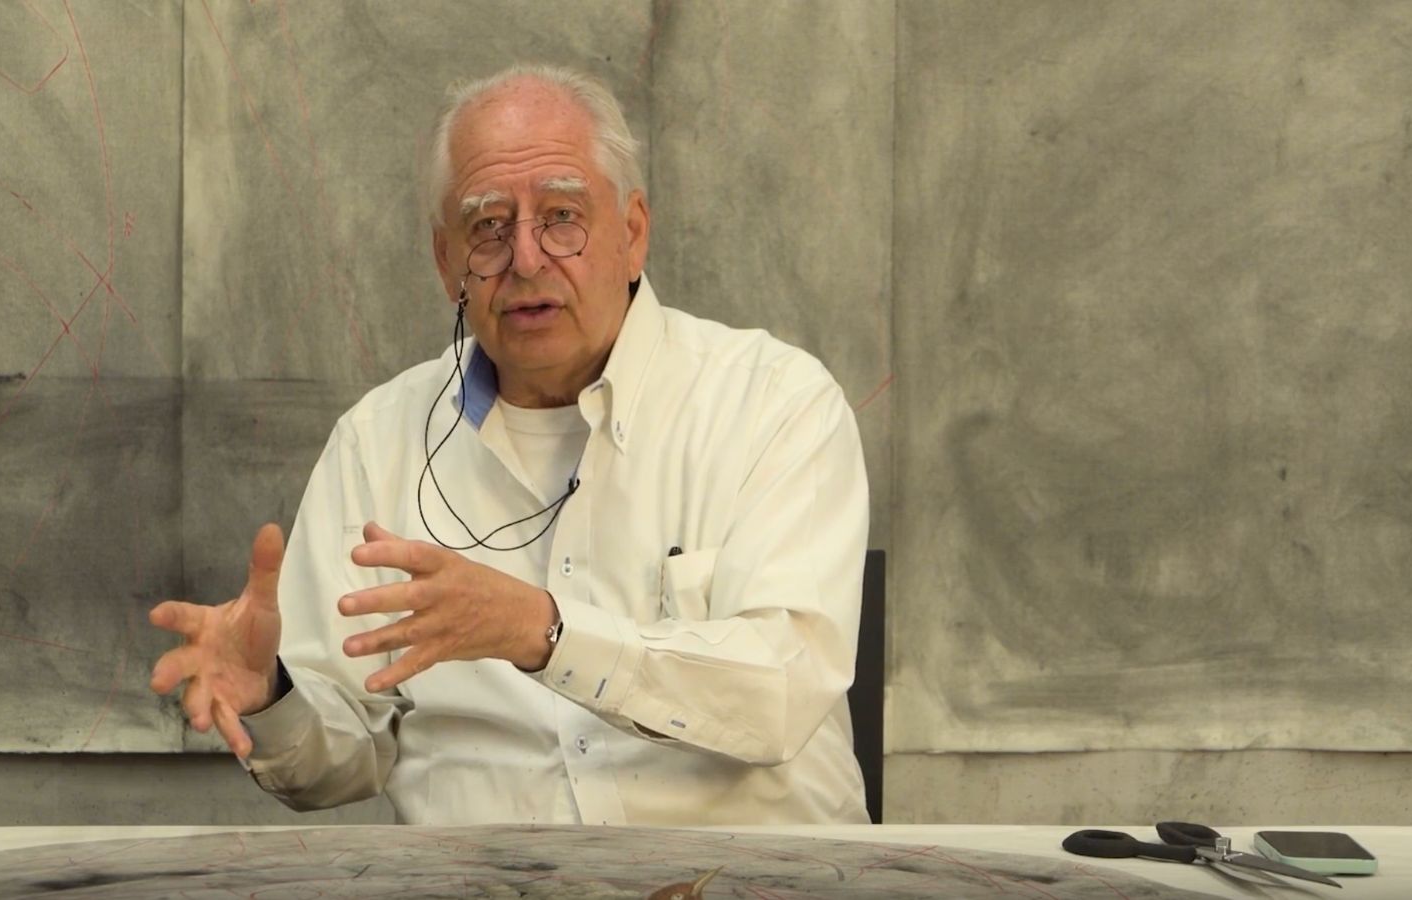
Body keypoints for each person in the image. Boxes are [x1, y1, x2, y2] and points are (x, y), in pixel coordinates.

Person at [149, 63, 871, 826]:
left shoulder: (774, 403)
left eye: (562, 216)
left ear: (632, 234)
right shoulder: (377, 441)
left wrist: (540, 630)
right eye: (488, 226)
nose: (525, 259)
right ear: (445, 261)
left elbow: (778, 696)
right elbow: (339, 756)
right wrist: (272, 695)